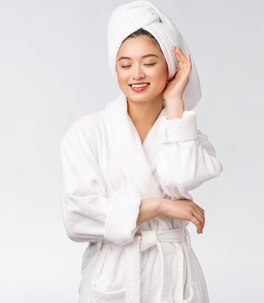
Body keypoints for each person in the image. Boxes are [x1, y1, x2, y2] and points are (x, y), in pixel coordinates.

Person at [59, 1, 222, 302]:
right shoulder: (87, 134)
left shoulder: (185, 134)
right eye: (125, 64)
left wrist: (176, 104)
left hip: (174, 278)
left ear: (169, 67)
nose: (137, 74)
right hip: (114, 279)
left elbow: (180, 179)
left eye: (149, 63)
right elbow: (78, 217)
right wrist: (161, 207)